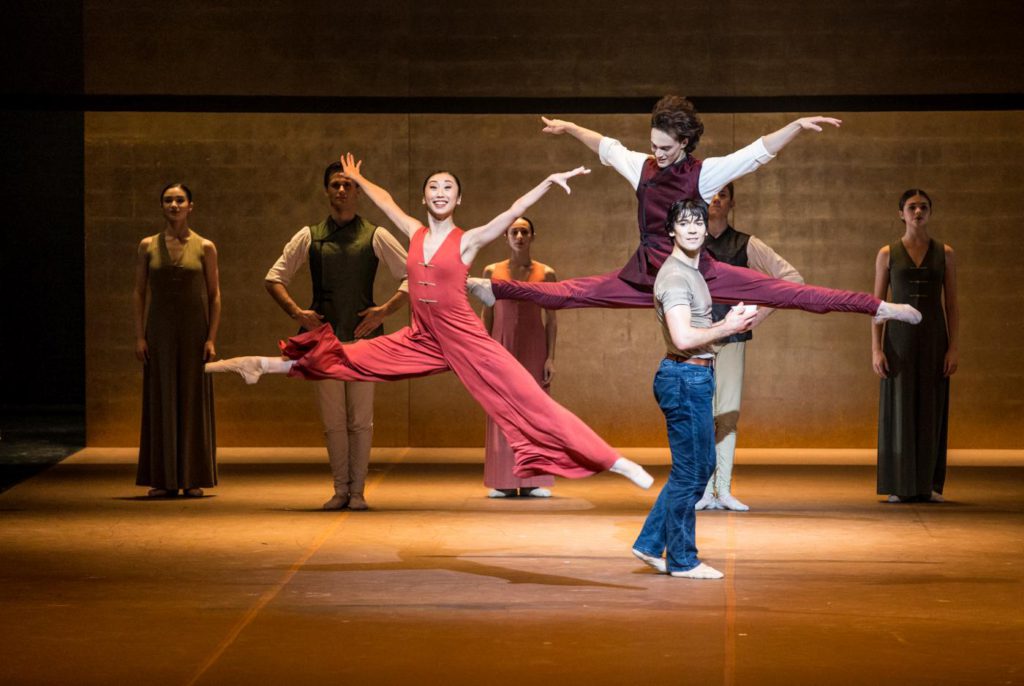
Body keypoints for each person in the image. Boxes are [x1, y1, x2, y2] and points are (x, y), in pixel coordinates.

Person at [207, 154, 654, 490]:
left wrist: (548, 182)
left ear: (458, 199)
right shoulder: (413, 233)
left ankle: (613, 460)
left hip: (466, 341)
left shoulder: (468, 241)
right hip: (421, 338)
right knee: (348, 357)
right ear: (424, 197)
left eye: (448, 188)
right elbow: (382, 202)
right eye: (433, 187)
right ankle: (263, 366)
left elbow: (510, 210)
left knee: (530, 400)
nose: (440, 192)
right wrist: (361, 178)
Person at [467, 95, 919, 327]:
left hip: (698, 273)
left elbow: (755, 153)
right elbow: (606, 147)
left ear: (684, 143)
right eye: (653, 144)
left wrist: (796, 127)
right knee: (569, 293)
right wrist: (569, 128)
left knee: (789, 292)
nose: (657, 153)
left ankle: (877, 308)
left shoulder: (704, 174)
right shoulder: (641, 167)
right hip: (646, 274)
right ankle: (495, 291)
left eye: (666, 147)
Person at [264, 162, 410, 511]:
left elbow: (412, 277)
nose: (342, 190)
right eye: (335, 185)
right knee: (333, 422)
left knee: (360, 419)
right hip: (324, 340)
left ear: (359, 191)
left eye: (348, 185)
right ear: (326, 190)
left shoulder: (375, 234)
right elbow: (274, 277)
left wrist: (384, 311)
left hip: (363, 339)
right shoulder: (310, 235)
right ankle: (340, 489)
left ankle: (357, 491)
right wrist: (297, 313)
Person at [632, 198, 758, 580]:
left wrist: (729, 324)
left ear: (706, 229)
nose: (692, 228)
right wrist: (729, 327)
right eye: (683, 223)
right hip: (684, 378)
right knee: (690, 472)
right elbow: (683, 337)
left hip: (696, 376)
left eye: (697, 222)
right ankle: (683, 559)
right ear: (671, 230)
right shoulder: (674, 276)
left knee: (700, 466)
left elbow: (699, 335)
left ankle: (651, 543)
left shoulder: (694, 271)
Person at [695, 182, 805, 512]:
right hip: (695, 341)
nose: (715, 199)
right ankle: (702, 490)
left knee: (726, 415)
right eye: (710, 193)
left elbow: (792, 279)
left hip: (732, 341)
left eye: (723, 194)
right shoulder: (688, 242)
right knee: (699, 416)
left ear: (731, 203)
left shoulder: (745, 244)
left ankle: (722, 489)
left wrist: (759, 314)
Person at [133, 183, 220, 498]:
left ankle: (192, 477)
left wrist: (211, 338)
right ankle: (164, 478)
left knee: (192, 400)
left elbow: (214, 294)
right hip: (159, 332)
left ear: (190, 206)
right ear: (162, 206)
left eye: (179, 200)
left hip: (193, 332)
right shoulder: (147, 246)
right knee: (161, 398)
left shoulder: (205, 246)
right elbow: (140, 292)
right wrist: (140, 335)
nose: (174, 205)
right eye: (168, 200)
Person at [873, 190, 958, 503]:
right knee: (900, 408)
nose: (918, 211)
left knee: (931, 408)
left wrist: (954, 347)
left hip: (935, 338)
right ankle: (899, 483)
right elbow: (877, 305)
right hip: (899, 339)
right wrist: (876, 349)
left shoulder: (945, 252)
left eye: (923, 207)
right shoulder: (887, 253)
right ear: (901, 213)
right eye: (912, 207)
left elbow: (952, 304)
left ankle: (927, 484)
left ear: (930, 212)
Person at [481, 217, 557, 498]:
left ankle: (534, 479)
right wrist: (482, 354)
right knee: (502, 409)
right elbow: (486, 314)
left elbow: (552, 320)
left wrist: (550, 358)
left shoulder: (546, 273)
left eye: (525, 231)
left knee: (535, 411)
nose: (520, 235)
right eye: (514, 231)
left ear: (532, 236)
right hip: (500, 347)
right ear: (506, 237)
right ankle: (502, 479)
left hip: (533, 347)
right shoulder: (492, 271)